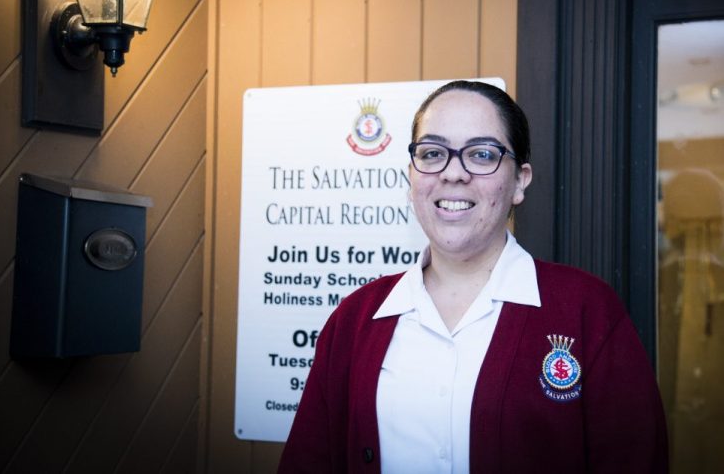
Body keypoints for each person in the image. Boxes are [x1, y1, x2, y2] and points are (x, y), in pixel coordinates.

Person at [278, 80, 668, 473]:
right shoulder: (355, 319)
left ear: (519, 181)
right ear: (411, 177)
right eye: (432, 153)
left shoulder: (588, 312)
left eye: (481, 154)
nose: (453, 173)